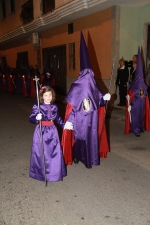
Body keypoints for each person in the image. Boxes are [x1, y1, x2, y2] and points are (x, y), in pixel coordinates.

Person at [62, 31, 111, 169]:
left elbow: (99, 100)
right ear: (82, 73)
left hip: (92, 117)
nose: (89, 75)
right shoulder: (76, 85)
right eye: (87, 72)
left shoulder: (94, 84)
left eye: (91, 72)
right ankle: (77, 156)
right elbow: (71, 105)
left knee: (91, 137)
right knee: (80, 138)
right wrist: (70, 121)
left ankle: (90, 158)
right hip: (79, 118)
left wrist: (104, 98)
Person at [29, 86, 67, 182]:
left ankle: (54, 174)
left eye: (50, 95)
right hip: (41, 131)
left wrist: (64, 125)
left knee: (54, 152)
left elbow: (57, 118)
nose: (48, 97)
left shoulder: (54, 106)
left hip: (52, 130)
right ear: (42, 96)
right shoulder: (37, 106)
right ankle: (41, 174)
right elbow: (31, 119)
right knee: (41, 152)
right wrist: (36, 117)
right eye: (46, 95)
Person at [124, 48, 150, 137]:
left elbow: (144, 93)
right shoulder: (136, 83)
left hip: (140, 103)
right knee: (135, 117)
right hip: (135, 103)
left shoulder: (141, 82)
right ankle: (136, 129)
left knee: (139, 117)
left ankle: (138, 129)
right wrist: (129, 99)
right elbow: (131, 91)